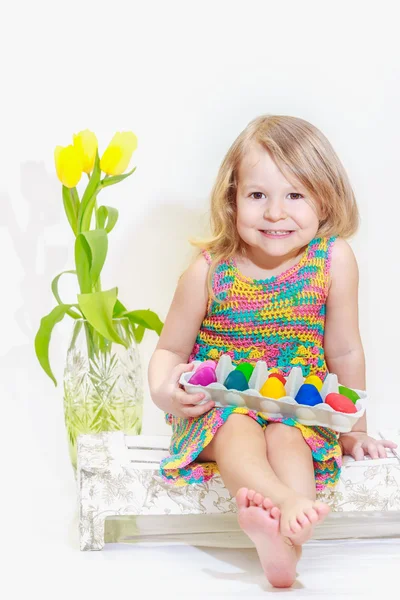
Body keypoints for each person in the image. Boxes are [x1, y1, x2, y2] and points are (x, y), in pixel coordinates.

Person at [148, 114, 397, 588]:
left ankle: (282, 550)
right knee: (239, 428)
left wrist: (352, 430)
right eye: (258, 195)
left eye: (295, 195)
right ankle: (285, 508)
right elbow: (169, 349)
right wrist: (166, 393)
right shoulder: (209, 270)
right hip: (217, 407)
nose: (275, 213)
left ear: (326, 199)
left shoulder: (332, 260)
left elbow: (344, 350)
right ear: (232, 198)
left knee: (289, 440)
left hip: (299, 407)